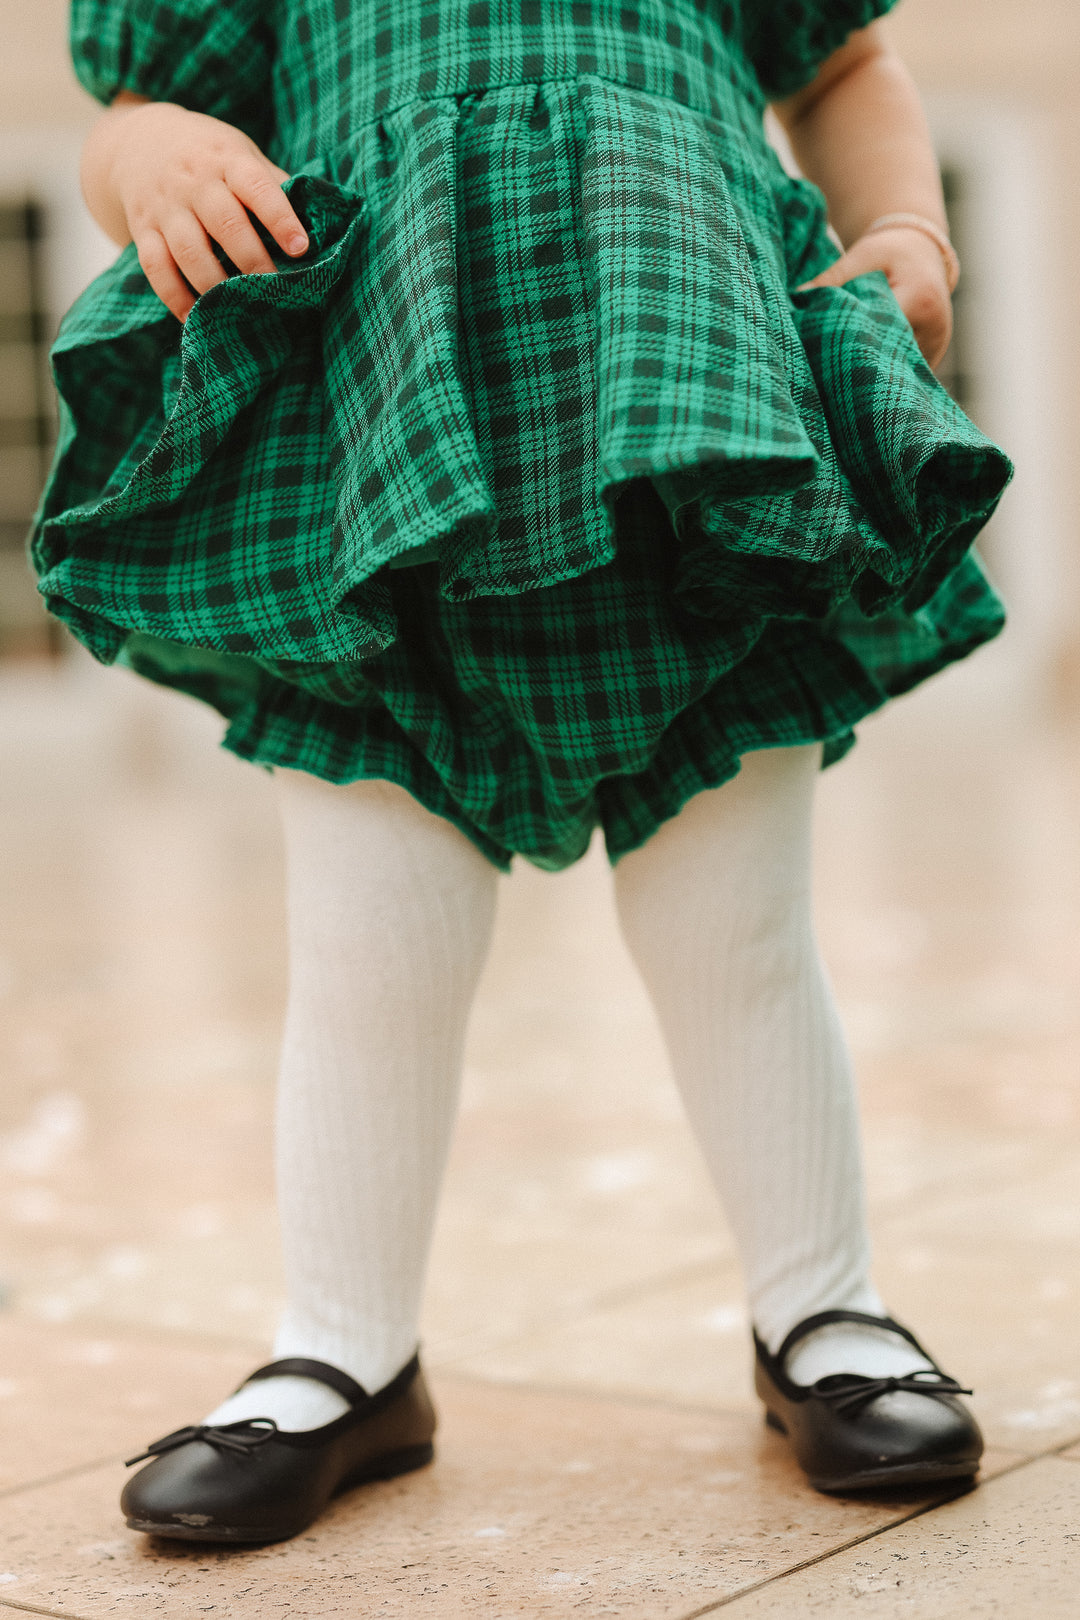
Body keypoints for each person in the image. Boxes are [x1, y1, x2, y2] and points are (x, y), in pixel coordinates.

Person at [36, 0, 1011, 1545]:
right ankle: (344, 1351)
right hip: (379, 409)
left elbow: (839, 63)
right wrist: (151, 154)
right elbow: (142, 101)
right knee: (371, 941)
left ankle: (825, 1316)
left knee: (735, 928)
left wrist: (906, 227)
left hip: (688, 396)